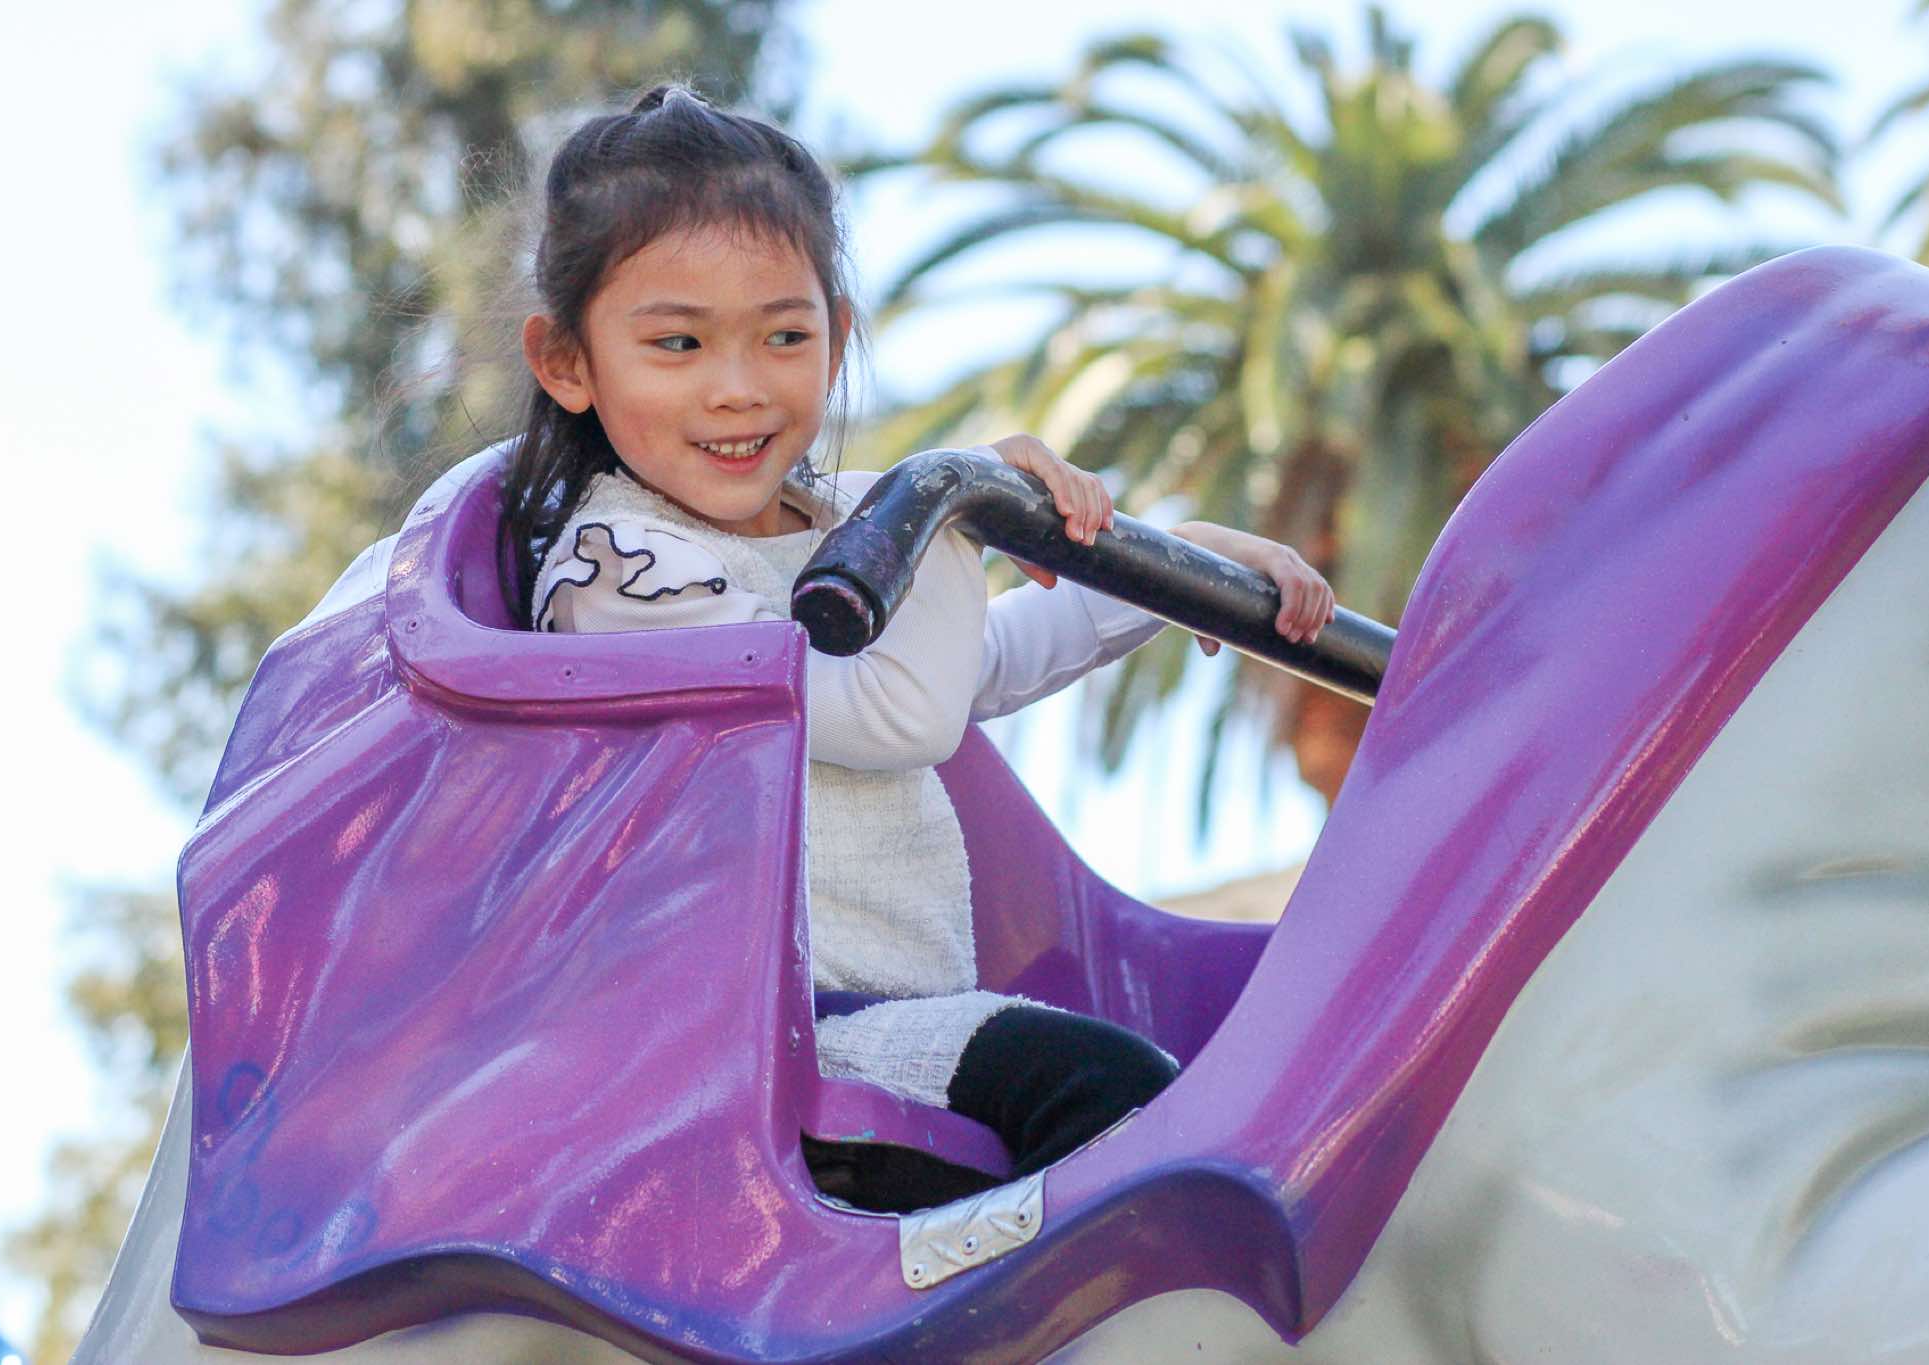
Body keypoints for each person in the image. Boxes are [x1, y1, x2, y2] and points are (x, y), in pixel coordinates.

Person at [496, 84, 1334, 1212]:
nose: (737, 387)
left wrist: (1171, 568)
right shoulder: (620, 575)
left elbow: (974, 663)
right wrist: (949, 510)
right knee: (1105, 1089)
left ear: (836, 338)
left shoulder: (837, 521)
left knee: (1258, 1080)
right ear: (567, 363)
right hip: (766, 1040)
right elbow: (902, 712)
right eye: (677, 343)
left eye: (784, 336)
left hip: (900, 1010)